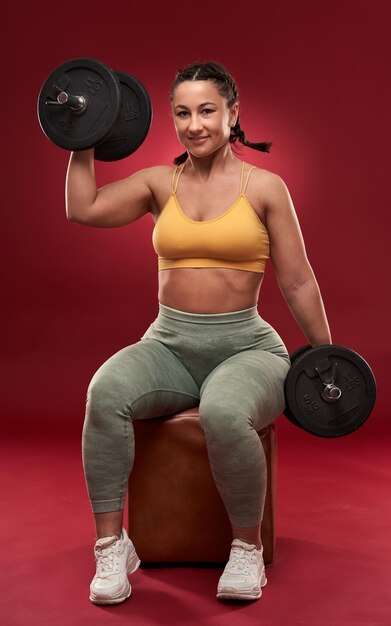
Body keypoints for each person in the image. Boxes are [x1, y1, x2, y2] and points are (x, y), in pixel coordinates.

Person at [65, 61, 331, 605]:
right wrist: (83, 134)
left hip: (248, 349)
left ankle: (246, 549)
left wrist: (327, 359)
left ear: (233, 114)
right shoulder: (160, 183)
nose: (195, 124)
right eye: (183, 113)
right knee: (105, 394)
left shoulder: (266, 188)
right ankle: (112, 548)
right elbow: (83, 208)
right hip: (169, 346)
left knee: (223, 411)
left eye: (208, 110)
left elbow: (298, 278)